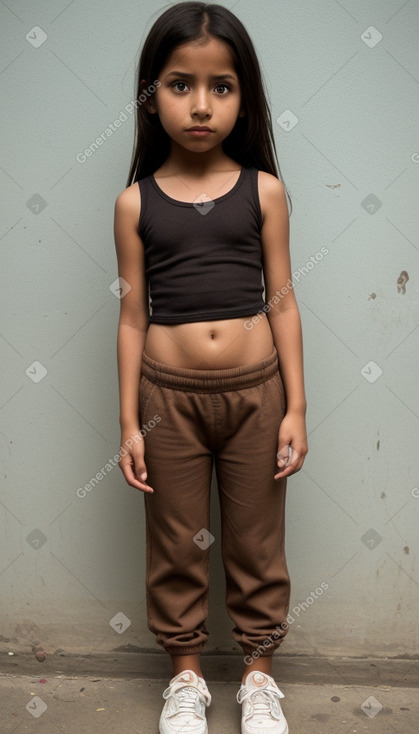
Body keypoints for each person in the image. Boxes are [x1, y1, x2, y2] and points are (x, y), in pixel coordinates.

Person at [113, 3, 308, 733]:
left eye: (220, 86)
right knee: (175, 539)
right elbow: (132, 315)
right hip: (168, 402)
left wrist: (295, 406)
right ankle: (186, 679)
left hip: (257, 396)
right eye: (179, 84)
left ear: (243, 97)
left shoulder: (263, 191)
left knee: (256, 540)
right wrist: (130, 421)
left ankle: (258, 678)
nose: (200, 104)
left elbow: (282, 301)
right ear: (150, 94)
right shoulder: (134, 204)